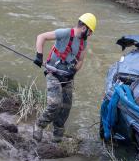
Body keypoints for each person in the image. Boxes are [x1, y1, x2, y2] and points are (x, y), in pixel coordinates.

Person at [32, 13, 97, 142]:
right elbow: (41, 37)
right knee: (55, 103)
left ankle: (57, 137)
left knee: (65, 108)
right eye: (90, 32)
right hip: (53, 73)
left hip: (67, 77)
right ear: (84, 28)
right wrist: (39, 56)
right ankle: (39, 125)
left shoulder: (83, 43)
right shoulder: (65, 33)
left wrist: (74, 70)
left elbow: (80, 61)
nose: (90, 35)